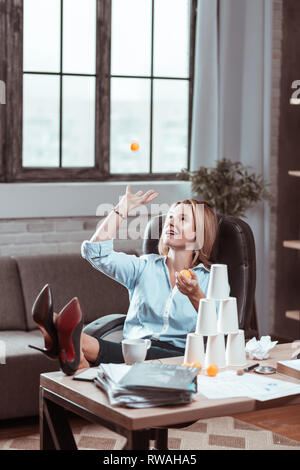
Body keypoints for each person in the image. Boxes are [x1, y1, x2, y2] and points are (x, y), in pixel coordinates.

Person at [30, 186, 219, 374]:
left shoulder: (211, 280)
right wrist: (123, 208)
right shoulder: (143, 267)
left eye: (182, 219)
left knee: (81, 343)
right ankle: (66, 345)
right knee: (79, 355)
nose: (170, 222)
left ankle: (55, 331)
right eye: (170, 216)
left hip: (177, 358)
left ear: (199, 234)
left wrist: (196, 295)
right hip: (132, 349)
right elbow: (95, 253)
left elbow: (219, 331)